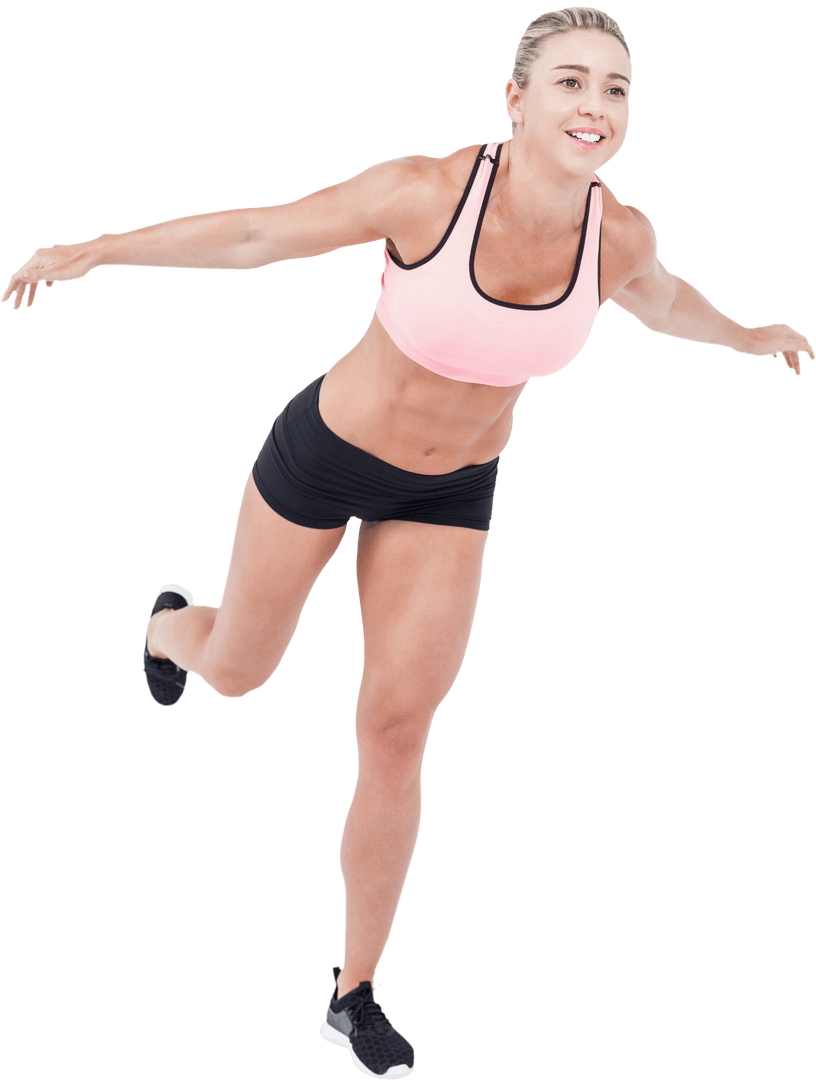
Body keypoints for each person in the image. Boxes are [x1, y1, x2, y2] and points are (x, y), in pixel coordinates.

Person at [3, 6, 813, 1078]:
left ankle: (352, 990)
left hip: (450, 492)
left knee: (395, 729)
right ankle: (165, 631)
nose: (597, 107)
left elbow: (660, 301)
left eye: (617, 89)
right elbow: (255, 233)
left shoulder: (618, 235)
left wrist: (746, 333)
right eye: (572, 82)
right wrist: (96, 252)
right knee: (239, 671)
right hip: (322, 455)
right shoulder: (427, 193)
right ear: (517, 98)